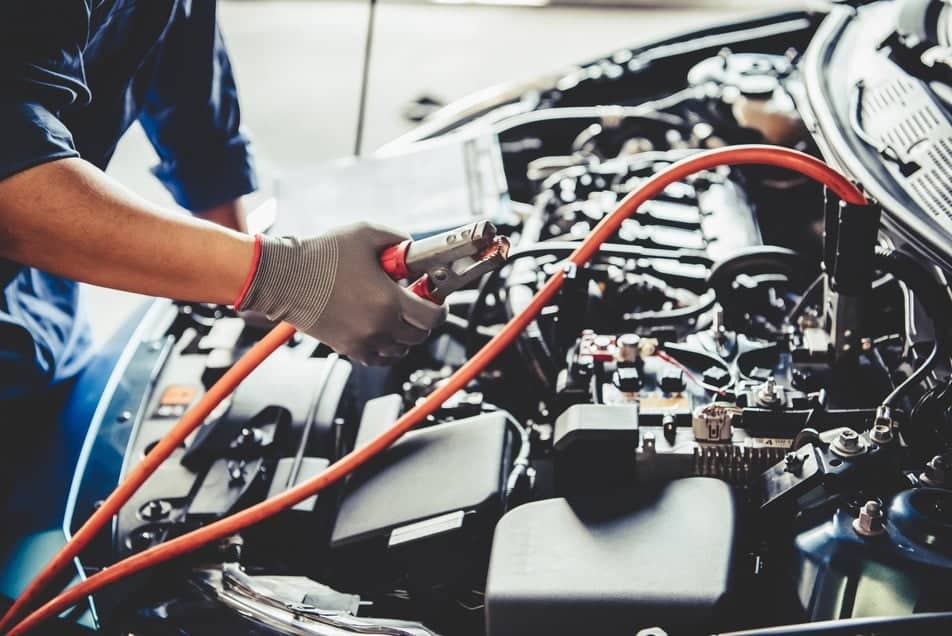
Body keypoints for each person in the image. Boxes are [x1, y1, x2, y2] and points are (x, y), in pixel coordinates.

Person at [0, 0, 447, 410]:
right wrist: (279, 275)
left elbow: (190, 87)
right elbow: (11, 191)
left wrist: (243, 272)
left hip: (43, 302)